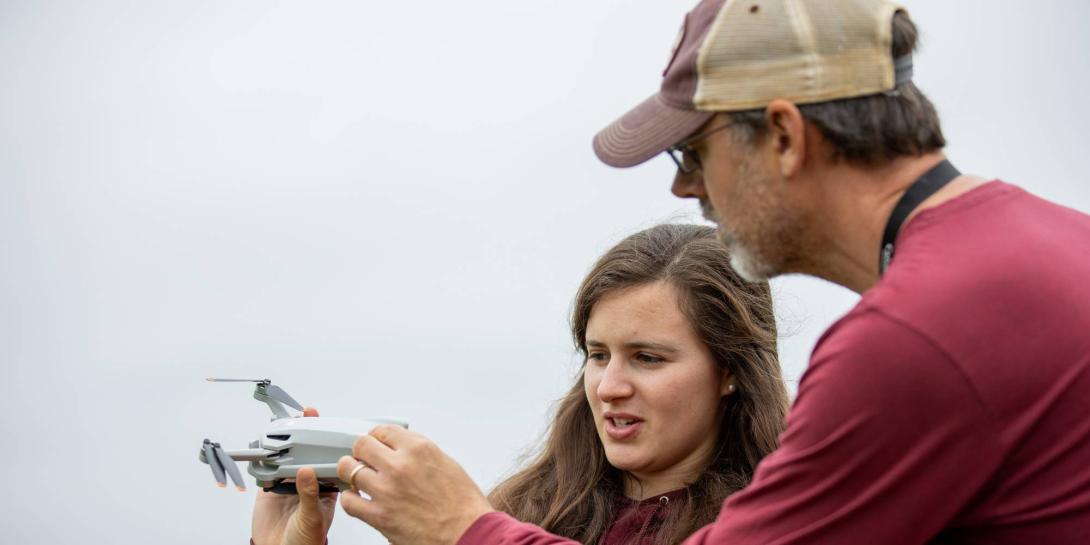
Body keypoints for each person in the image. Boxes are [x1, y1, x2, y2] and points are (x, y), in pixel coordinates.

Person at [330, 1, 1090, 544]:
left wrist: (463, 527)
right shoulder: (1054, 244)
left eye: (693, 154)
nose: (684, 191)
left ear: (785, 137)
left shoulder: (912, 337)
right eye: (598, 354)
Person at [252, 224, 790, 545]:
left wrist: (466, 528)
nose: (608, 387)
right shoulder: (524, 508)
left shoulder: (782, 519)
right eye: (597, 355)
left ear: (731, 371)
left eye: (647, 358)